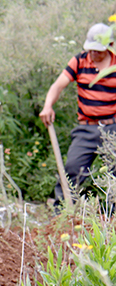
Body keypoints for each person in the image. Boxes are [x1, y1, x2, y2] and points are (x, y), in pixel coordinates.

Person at [40, 23, 116, 207]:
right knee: (72, 169)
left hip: (113, 127)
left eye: (98, 51)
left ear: (110, 45)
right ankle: (63, 213)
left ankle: (112, 217)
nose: (93, 54)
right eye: (91, 49)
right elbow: (58, 86)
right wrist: (48, 106)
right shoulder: (80, 61)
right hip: (87, 128)